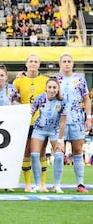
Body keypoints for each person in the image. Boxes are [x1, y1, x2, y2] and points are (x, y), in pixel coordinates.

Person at [55, 53, 92, 193]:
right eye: (64, 61)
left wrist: (88, 118)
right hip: (60, 121)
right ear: (60, 64)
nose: (66, 64)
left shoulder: (80, 80)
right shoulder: (56, 80)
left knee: (77, 151)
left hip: (76, 120)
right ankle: (56, 184)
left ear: (72, 63)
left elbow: (87, 99)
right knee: (58, 151)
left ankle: (80, 184)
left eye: (69, 61)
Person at [13, 54, 49, 192]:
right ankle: (28, 184)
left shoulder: (45, 80)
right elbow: (12, 97)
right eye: (31, 61)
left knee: (42, 151)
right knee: (26, 151)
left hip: (41, 122)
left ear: (39, 64)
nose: (33, 64)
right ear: (26, 64)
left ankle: (42, 184)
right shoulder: (19, 81)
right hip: (25, 121)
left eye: (36, 61)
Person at [30, 78, 67, 193]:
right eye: (50, 87)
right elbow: (30, 113)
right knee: (35, 155)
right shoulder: (40, 98)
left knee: (59, 155)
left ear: (58, 89)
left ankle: (57, 185)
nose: (52, 90)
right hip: (39, 129)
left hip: (55, 130)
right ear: (46, 88)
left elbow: (63, 122)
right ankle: (37, 185)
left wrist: (60, 140)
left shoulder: (62, 101)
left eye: (54, 87)